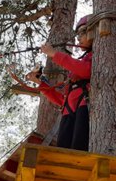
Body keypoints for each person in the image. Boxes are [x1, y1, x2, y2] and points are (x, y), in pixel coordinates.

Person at [28, 16, 92, 151]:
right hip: (68, 110)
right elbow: (62, 100)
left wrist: (54, 54)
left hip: (84, 106)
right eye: (78, 34)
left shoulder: (94, 56)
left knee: (78, 148)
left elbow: (86, 70)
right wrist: (40, 83)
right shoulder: (83, 61)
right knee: (63, 149)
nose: (78, 38)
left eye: (82, 32)